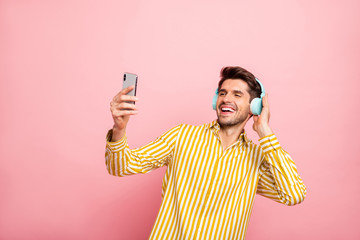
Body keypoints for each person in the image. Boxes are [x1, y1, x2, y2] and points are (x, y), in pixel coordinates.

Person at [105, 66, 306, 240]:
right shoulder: (181, 137)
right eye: (222, 93)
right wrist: (119, 128)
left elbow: (293, 194)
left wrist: (264, 131)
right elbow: (120, 167)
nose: (226, 99)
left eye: (237, 94)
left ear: (255, 106)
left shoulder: (257, 159)